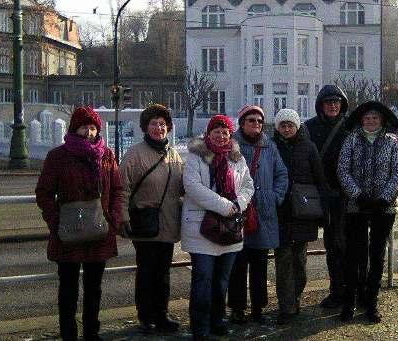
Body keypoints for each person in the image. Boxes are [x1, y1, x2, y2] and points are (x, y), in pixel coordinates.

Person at [36, 106, 124, 341]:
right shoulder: (59, 156)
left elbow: (117, 189)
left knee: (94, 289)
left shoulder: (106, 155)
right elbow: (44, 193)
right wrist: (56, 221)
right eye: (84, 126)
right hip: (69, 233)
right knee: (68, 290)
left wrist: (113, 218)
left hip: (99, 231)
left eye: (93, 127)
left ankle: (91, 333)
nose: (89, 132)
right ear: (75, 128)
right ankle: (69, 335)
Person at [182, 114, 254, 341]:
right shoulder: (196, 156)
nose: (221, 135)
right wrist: (226, 206)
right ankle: (200, 325)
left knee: (222, 279)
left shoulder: (236, 157)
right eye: (216, 131)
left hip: (230, 227)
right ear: (209, 133)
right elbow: (192, 187)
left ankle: (217, 319)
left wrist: (238, 204)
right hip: (201, 228)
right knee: (203, 278)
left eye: (225, 132)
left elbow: (247, 185)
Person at [118, 104, 184, 334]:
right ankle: (146, 317)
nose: (159, 128)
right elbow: (122, 189)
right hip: (145, 223)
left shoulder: (174, 154)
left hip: (168, 222)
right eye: (154, 124)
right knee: (146, 272)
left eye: (163, 124)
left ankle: (162, 315)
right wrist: (123, 217)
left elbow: (181, 187)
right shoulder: (134, 155)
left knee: (163, 273)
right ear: (146, 127)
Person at [337, 100, 398, 323]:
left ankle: (372, 304)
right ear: (361, 120)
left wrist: (383, 198)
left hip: (383, 209)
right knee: (354, 255)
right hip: (357, 207)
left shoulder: (391, 144)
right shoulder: (351, 141)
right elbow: (343, 171)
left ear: (382, 120)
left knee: (377, 256)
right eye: (367, 118)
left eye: (375, 118)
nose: (371, 121)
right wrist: (359, 195)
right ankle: (349, 303)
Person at [227, 105, 288, 324]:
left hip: (263, 212)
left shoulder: (270, 146)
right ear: (242, 123)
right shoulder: (231, 146)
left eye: (259, 121)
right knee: (237, 264)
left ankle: (258, 308)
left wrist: (275, 197)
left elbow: (281, 174)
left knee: (260, 265)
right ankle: (237, 308)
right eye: (251, 120)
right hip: (238, 213)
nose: (256, 124)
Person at [272, 108, 323, 325]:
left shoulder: (309, 147)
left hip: (302, 212)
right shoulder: (271, 147)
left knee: (300, 262)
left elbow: (319, 177)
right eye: (282, 125)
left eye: (290, 125)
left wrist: (322, 209)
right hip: (281, 212)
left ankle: (296, 296)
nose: (286, 128)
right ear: (278, 128)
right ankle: (287, 307)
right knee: (283, 262)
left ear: (297, 126)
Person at [304, 85, 350, 308]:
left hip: (348, 196)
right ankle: (337, 289)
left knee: (350, 246)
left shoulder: (352, 127)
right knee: (332, 245)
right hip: (322, 195)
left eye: (337, 102)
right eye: (328, 102)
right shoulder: (310, 128)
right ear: (321, 105)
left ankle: (354, 289)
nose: (333, 106)